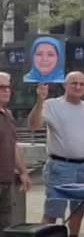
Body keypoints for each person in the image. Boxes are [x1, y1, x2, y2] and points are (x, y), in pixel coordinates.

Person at [28, 72, 84, 236]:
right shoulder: (51, 104)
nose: (78, 87)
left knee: (80, 209)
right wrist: (40, 99)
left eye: (82, 84)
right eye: (73, 83)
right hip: (60, 166)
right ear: (65, 85)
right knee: (53, 211)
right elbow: (34, 125)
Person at [0, 72, 31, 230]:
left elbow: (13, 145)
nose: (6, 91)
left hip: (6, 180)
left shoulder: (8, 114)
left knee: (5, 225)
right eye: (1, 87)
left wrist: (23, 172)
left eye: (8, 87)